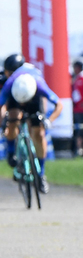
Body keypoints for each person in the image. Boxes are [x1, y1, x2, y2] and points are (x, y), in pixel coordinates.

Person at [0, 53, 63, 193]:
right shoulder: (9, 84)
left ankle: (40, 175)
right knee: (13, 119)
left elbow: (59, 105)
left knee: (38, 134)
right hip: (15, 96)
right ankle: (11, 152)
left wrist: (49, 121)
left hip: (33, 98)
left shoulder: (39, 84)